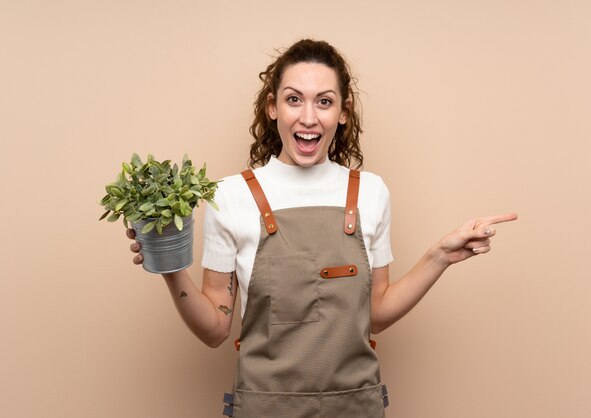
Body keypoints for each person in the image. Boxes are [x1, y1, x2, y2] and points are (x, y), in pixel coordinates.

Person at [127, 39, 517, 417]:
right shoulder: (229, 196)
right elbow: (214, 329)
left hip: (355, 407)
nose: (309, 117)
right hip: (266, 408)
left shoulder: (370, 192)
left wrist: (440, 256)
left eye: (324, 102)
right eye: (294, 99)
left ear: (343, 112)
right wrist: (170, 266)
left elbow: (375, 312)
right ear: (272, 107)